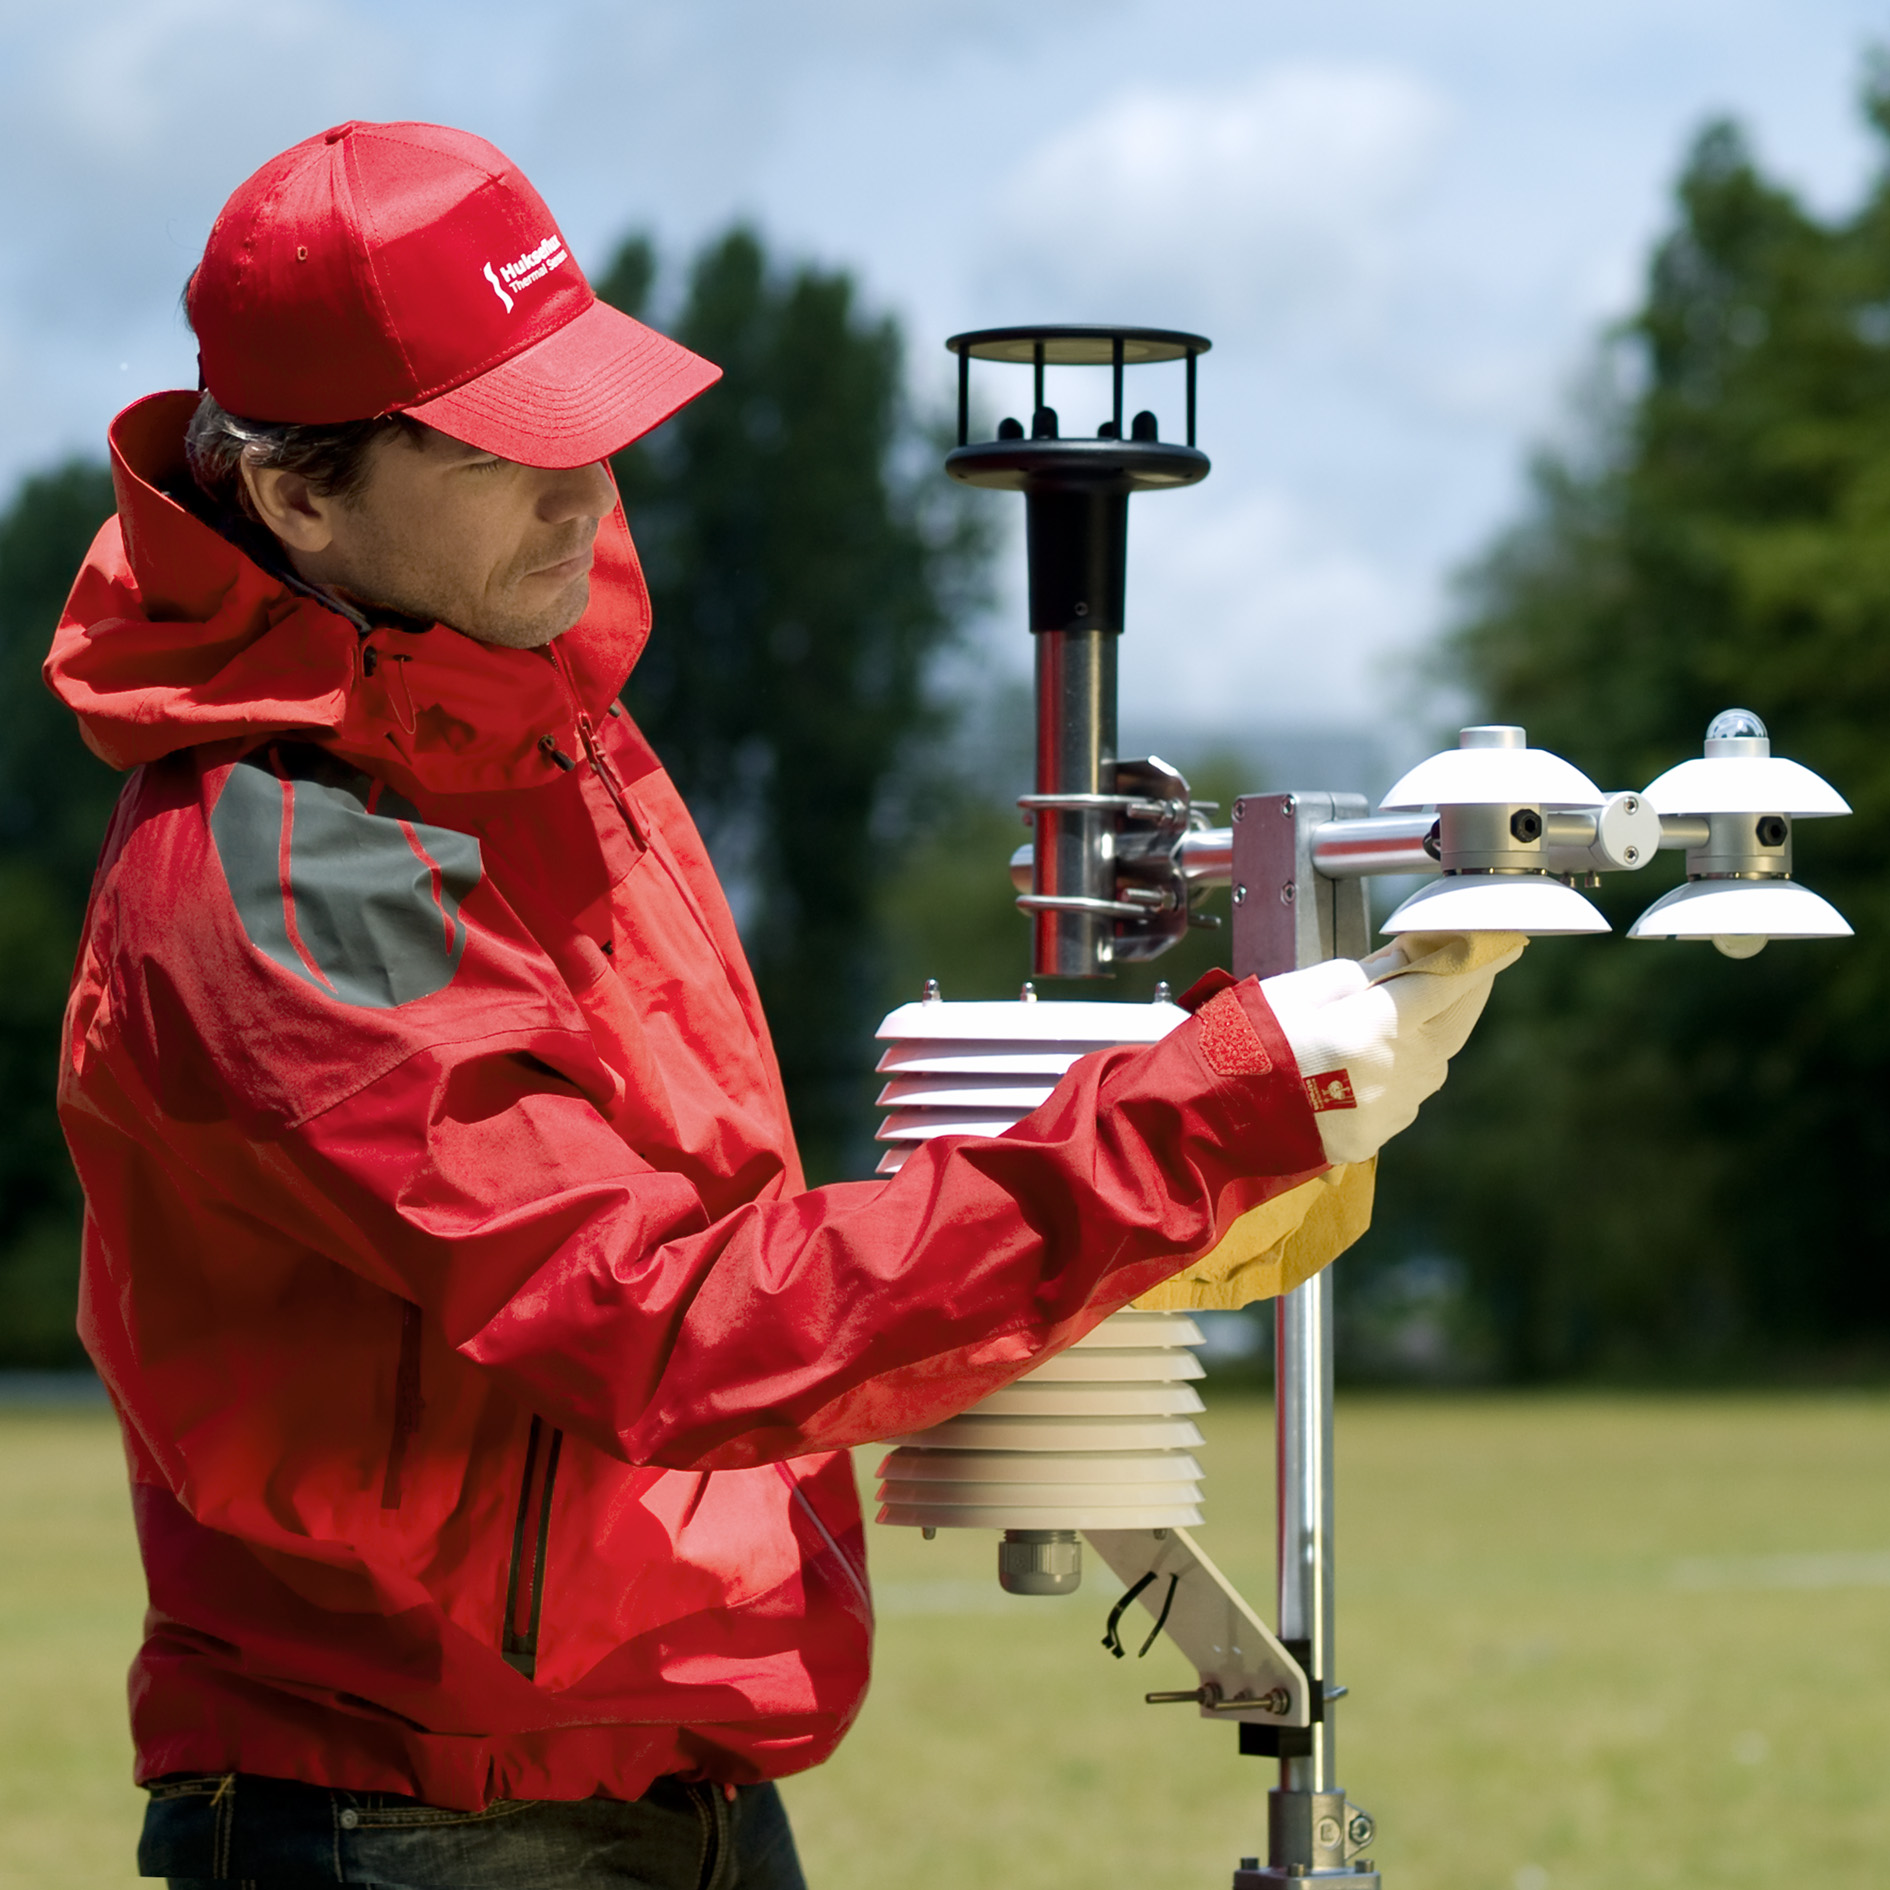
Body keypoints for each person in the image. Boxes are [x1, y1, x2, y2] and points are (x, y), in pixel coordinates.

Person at [46, 121, 1513, 1889]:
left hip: (671, 1776)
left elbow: (725, 1226)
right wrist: (1212, 1104)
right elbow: (663, 1320)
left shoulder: (541, 729)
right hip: (411, 1813)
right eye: (510, 446)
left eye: (590, 421)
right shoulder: (287, 876)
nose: (585, 493)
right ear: (298, 495)